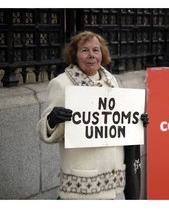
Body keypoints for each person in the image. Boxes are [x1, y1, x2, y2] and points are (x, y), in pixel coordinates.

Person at [37, 30, 149, 200]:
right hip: (83, 180)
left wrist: (137, 121)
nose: (91, 55)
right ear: (75, 55)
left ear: (102, 54)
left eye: (96, 50)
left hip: (111, 175)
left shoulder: (111, 80)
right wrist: (52, 120)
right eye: (85, 50)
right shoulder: (61, 83)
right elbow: (45, 131)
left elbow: (118, 121)